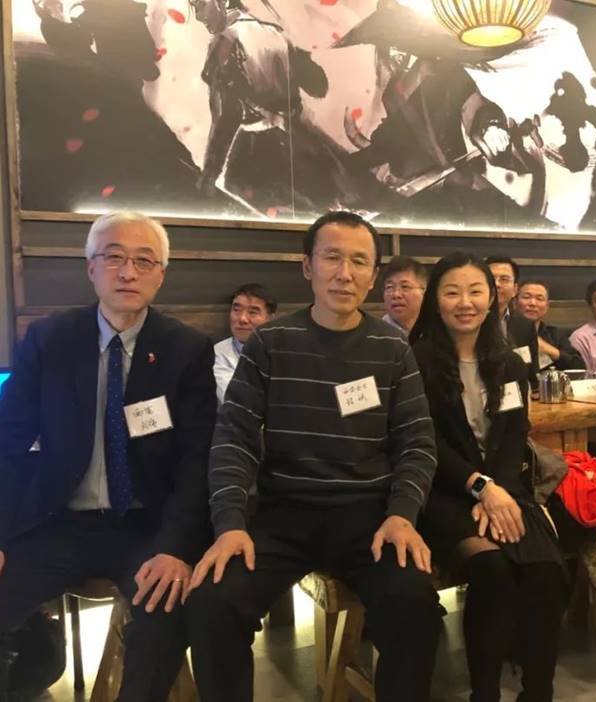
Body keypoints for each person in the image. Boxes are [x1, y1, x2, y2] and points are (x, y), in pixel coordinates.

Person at [0, 211, 218, 701]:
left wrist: (175, 546)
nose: (128, 272)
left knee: (165, 611)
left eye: (144, 261)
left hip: (144, 526)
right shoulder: (51, 339)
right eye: (113, 257)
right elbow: (0, 442)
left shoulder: (186, 349)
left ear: (161, 274)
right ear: (91, 268)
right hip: (59, 522)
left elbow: (196, 458)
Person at [186, 211, 440, 702]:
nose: (345, 274)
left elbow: (416, 441)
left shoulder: (392, 347)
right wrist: (230, 523)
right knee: (213, 603)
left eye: (359, 262)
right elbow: (234, 437)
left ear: (372, 275)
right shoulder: (271, 342)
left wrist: (402, 514)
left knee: (415, 606)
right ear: (307, 266)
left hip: (368, 517)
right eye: (332, 258)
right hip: (283, 513)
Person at [410, 253, 567, 702]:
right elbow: (426, 442)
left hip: (505, 488)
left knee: (548, 573)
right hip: (443, 493)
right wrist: (481, 487)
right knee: (492, 571)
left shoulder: (508, 362)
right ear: (436, 300)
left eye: (475, 291)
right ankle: (485, 694)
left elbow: (516, 432)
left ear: (492, 297)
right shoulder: (416, 361)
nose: (466, 302)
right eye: (452, 292)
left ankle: (538, 692)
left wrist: (497, 489)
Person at [213, 283, 277, 404]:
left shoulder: (284, 349)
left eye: (252, 312)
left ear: (270, 319)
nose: (242, 319)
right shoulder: (218, 353)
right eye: (236, 310)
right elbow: (235, 399)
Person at [485, 256, 538, 379]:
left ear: (515, 290)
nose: (497, 284)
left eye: (504, 279)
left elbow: (531, 374)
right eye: (491, 279)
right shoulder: (471, 322)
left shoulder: (525, 326)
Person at [515, 280, 582, 370]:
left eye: (539, 299)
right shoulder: (504, 332)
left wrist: (549, 350)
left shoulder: (555, 335)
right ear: (515, 303)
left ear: (547, 306)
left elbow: (579, 366)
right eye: (526, 297)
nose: (533, 303)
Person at [381, 255, 427, 335]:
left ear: (425, 293)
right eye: (389, 287)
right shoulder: (375, 335)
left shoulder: (437, 331)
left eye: (405, 287)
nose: (396, 294)